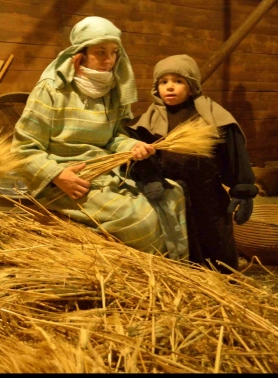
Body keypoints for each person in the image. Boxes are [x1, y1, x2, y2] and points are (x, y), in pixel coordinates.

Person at [12, 17, 189, 261]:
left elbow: (113, 137)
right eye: (100, 52)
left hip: (105, 172)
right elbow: (23, 149)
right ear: (80, 54)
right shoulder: (52, 90)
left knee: (173, 195)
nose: (109, 60)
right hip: (67, 182)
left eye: (114, 52)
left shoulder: (110, 91)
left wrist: (131, 145)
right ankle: (145, 278)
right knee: (142, 221)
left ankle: (176, 268)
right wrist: (57, 175)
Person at [127, 54, 258, 273]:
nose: (170, 87)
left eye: (178, 81)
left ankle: (225, 282)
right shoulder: (149, 120)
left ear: (192, 86)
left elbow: (233, 152)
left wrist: (243, 190)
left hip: (207, 193)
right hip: (170, 193)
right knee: (178, 242)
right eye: (164, 82)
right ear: (156, 87)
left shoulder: (212, 115)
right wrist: (149, 176)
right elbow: (139, 153)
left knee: (215, 239)